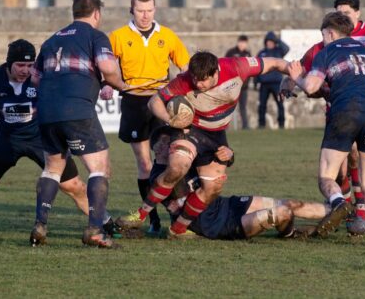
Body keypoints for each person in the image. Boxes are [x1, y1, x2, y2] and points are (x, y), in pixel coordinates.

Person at [116, 51, 291, 238]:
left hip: (216, 135)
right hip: (191, 130)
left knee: (213, 187)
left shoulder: (238, 66)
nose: (198, 84)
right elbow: (154, 102)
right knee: (177, 167)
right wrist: (171, 120)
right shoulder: (184, 81)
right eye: (195, 79)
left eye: (203, 80)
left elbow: (275, 62)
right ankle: (140, 215)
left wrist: (291, 78)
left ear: (216, 72)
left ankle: (178, 230)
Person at [0, 40, 88, 241]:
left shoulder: (42, 77)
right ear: (9, 63)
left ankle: (104, 224)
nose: (26, 70)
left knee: (74, 186)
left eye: (30, 65)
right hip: (6, 139)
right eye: (20, 65)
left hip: (41, 137)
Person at [30, 0, 129, 248]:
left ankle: (40, 224)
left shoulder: (51, 40)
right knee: (100, 168)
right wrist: (122, 86)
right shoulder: (96, 36)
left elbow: (35, 78)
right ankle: (95, 230)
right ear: (97, 14)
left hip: (47, 112)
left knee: (52, 169)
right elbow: (107, 68)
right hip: (77, 110)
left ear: (74, 12)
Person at [287, 11, 365, 246]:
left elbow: (311, 86)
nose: (323, 39)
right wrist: (359, 83)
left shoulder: (326, 52)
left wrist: (297, 77)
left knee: (326, 176)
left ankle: (339, 203)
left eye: (323, 35)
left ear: (330, 32)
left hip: (345, 112)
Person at [147, 126, 330, 240]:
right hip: (212, 225)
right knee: (281, 213)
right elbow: (175, 187)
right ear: (155, 148)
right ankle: (291, 233)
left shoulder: (187, 158)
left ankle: (340, 211)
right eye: (167, 143)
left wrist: (228, 153)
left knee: (289, 204)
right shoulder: (158, 177)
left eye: (173, 142)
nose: (173, 147)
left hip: (227, 204)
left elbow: (216, 158)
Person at [109, 0, 190, 236]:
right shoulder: (118, 37)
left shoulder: (167, 35)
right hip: (134, 102)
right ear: (131, 10)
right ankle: (151, 219)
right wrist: (106, 84)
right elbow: (107, 68)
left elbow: (185, 67)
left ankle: (179, 215)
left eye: (149, 10)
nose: (145, 15)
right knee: (144, 164)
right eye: (140, 10)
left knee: (167, 161)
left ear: (155, 9)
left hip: (162, 103)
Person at [333, 0, 365, 233]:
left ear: (357, 13)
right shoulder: (331, 38)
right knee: (343, 163)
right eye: (338, 13)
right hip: (339, 107)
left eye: (346, 13)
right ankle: (347, 209)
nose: (342, 17)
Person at [256, 31, 289, 129]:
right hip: (264, 84)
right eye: (267, 41)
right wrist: (255, 81)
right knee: (262, 105)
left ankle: (281, 124)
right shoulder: (261, 53)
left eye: (271, 41)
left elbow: (287, 48)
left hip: (276, 83)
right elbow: (257, 67)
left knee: (280, 104)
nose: (269, 43)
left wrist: (277, 39)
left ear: (274, 42)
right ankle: (261, 125)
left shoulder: (279, 51)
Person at [225, 35, 252, 129]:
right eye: (240, 42)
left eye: (244, 43)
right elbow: (225, 67)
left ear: (246, 44)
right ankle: (224, 126)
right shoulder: (231, 52)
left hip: (243, 87)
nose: (242, 44)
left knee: (243, 107)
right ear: (238, 42)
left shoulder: (248, 54)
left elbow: (251, 69)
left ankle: (245, 126)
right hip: (232, 86)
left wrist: (247, 82)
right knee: (228, 107)